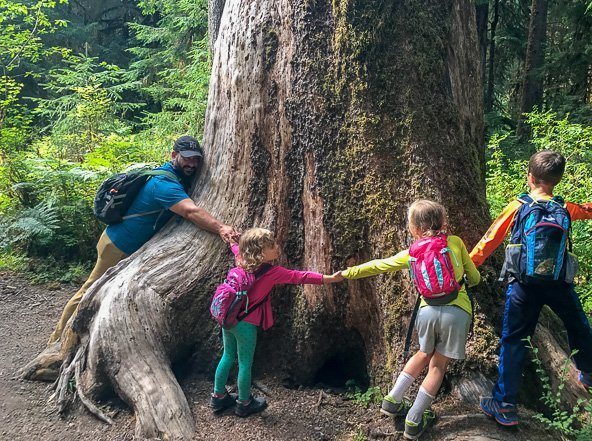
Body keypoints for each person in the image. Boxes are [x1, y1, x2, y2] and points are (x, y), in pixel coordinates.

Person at [471, 150, 592, 427]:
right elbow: (587, 210)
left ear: (530, 177)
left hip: (523, 286)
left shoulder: (518, 206)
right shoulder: (563, 208)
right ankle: (590, 372)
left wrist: (468, 265)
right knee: (577, 323)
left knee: (514, 339)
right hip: (557, 283)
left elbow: (491, 238)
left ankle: (505, 404)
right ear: (558, 180)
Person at [47, 135, 238, 346]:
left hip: (120, 240)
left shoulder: (171, 174)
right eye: (186, 158)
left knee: (105, 291)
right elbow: (191, 212)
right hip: (119, 245)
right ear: (174, 155)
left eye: (196, 159)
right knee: (90, 291)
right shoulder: (164, 184)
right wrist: (221, 227)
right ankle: (57, 341)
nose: (192, 163)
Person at [339, 200, 480, 440]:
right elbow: (474, 277)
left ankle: (393, 399)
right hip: (457, 311)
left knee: (423, 353)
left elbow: (379, 266)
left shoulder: (413, 253)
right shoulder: (454, 243)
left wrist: (346, 273)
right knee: (437, 366)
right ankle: (414, 420)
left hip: (426, 311)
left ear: (414, 228)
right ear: (443, 222)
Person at [211, 228, 344, 417]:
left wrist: (233, 242)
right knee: (245, 363)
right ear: (261, 252)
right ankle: (244, 402)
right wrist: (329, 278)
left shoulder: (241, 259)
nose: (276, 247)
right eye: (271, 246)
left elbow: (236, 248)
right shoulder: (272, 273)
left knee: (227, 356)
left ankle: (218, 397)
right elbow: (300, 276)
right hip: (247, 325)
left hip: (228, 318)